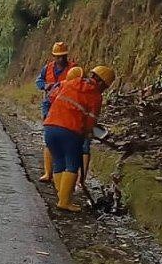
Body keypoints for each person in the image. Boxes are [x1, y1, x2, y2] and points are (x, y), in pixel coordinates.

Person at [44, 67, 114, 211]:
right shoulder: (95, 95)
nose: (104, 90)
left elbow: (52, 94)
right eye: (105, 87)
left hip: (50, 127)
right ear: (101, 83)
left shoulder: (71, 82)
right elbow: (91, 120)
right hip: (70, 131)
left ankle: (61, 195)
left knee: (59, 161)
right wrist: (88, 133)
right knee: (72, 164)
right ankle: (64, 202)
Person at [34, 42, 77, 182]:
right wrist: (45, 85)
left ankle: (64, 171)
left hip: (66, 107)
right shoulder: (47, 68)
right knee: (49, 138)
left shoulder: (73, 69)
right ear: (53, 56)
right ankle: (48, 173)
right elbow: (39, 81)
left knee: (65, 137)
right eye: (58, 57)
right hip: (50, 104)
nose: (61, 59)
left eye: (63, 56)